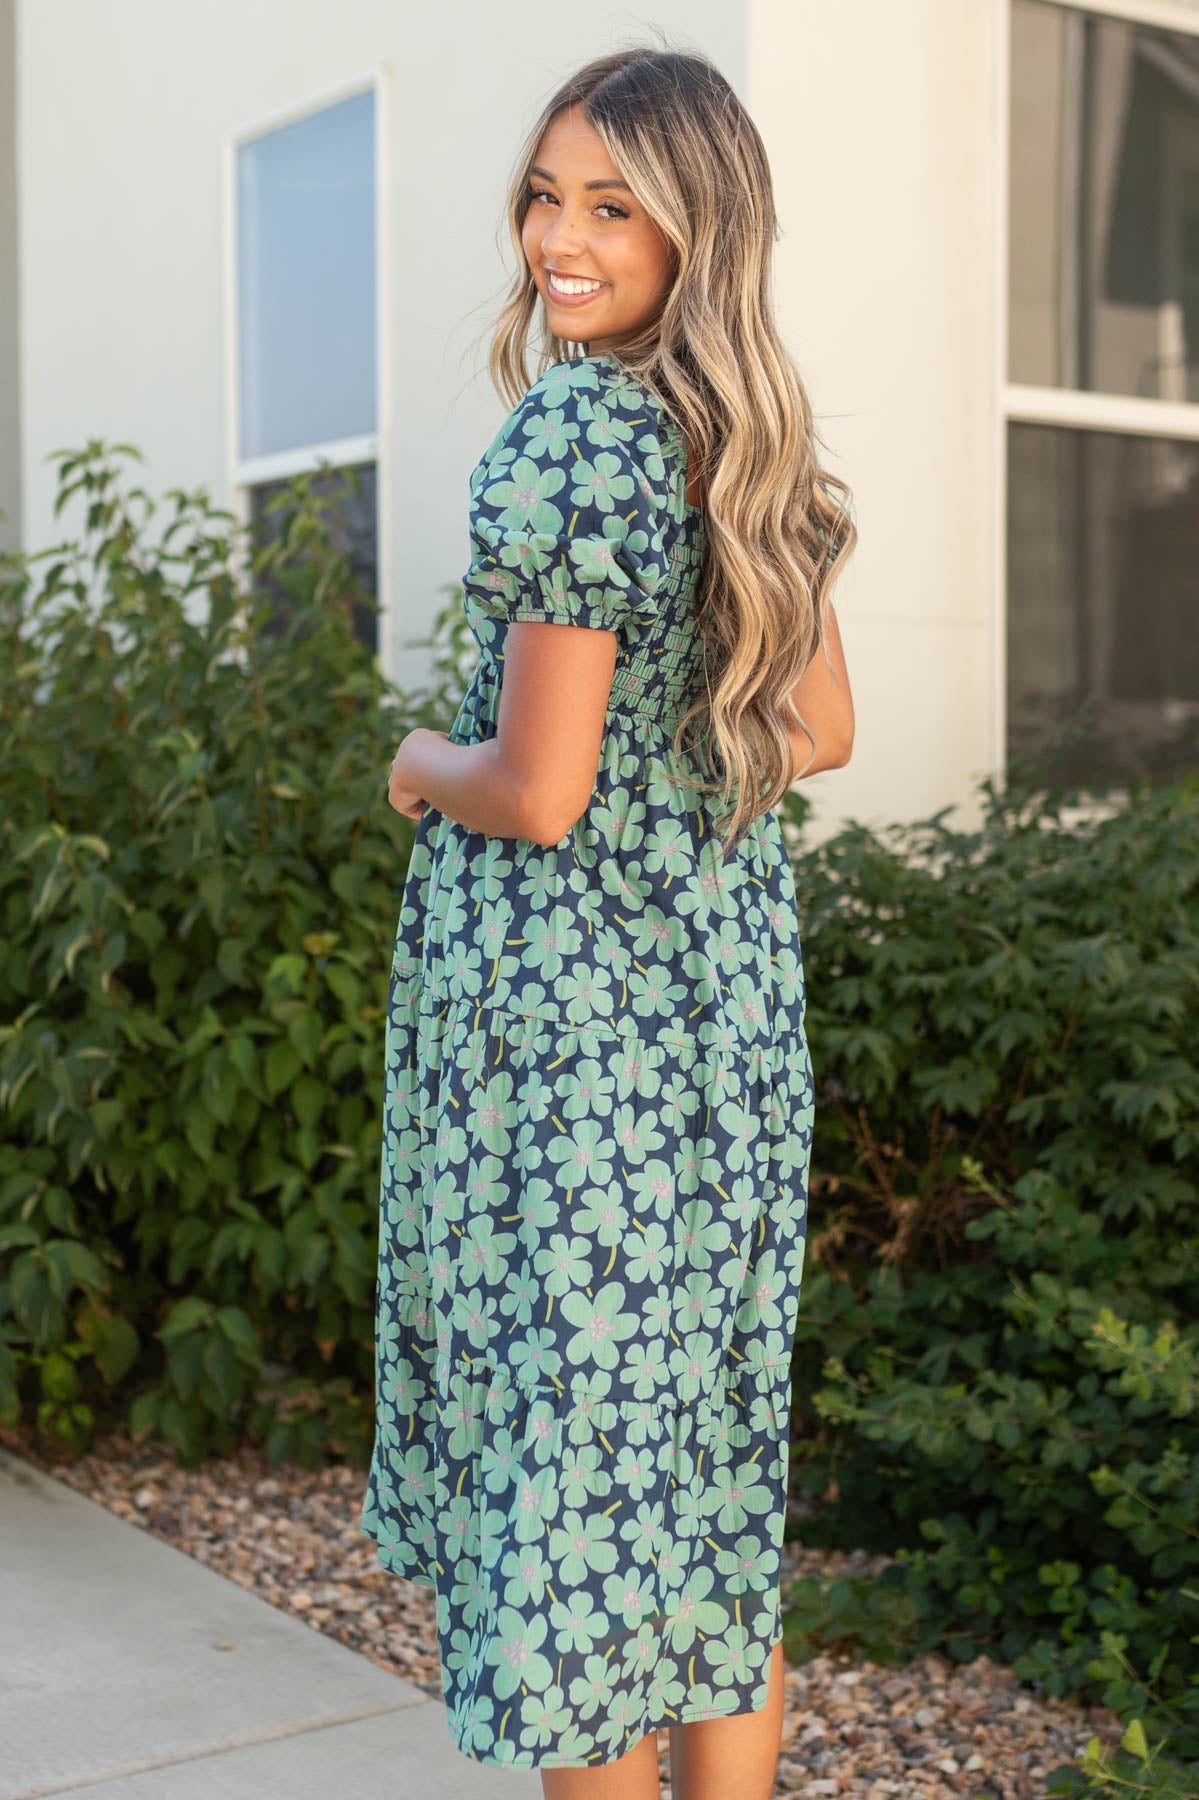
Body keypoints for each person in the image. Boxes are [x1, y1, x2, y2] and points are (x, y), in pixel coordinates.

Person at [358, 39, 857, 1799]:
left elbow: (539, 789)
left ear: (693, 231)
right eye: (544, 194)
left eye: (610, 205)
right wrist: (671, 750)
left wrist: (424, 760)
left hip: (574, 1066)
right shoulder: (745, 432)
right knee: (705, 1515)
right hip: (721, 1037)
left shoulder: (573, 438)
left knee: (575, 1534)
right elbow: (822, 731)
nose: (557, 237)